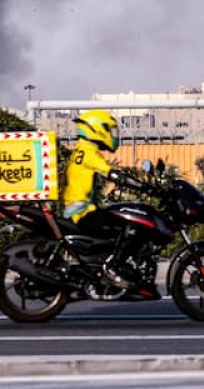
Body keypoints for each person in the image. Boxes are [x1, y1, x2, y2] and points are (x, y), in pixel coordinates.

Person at [61, 108, 139, 288]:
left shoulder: (80, 150)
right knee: (129, 225)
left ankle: (102, 262)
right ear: (97, 129)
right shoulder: (89, 153)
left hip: (77, 208)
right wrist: (136, 184)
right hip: (83, 212)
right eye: (110, 130)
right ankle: (112, 271)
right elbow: (110, 173)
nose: (113, 135)